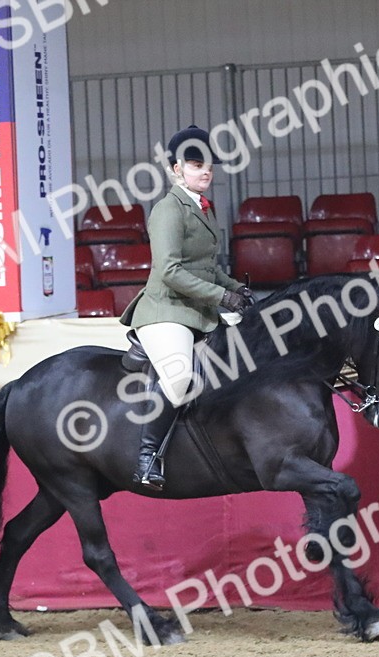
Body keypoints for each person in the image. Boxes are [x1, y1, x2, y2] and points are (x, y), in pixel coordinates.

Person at [119, 125, 255, 490]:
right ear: (176, 169)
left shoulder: (204, 209)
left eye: (209, 165)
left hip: (198, 311)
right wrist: (221, 297)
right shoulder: (168, 210)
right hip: (167, 310)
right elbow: (171, 271)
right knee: (179, 380)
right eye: (196, 165)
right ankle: (148, 458)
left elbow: (207, 268)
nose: (206, 171)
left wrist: (235, 288)